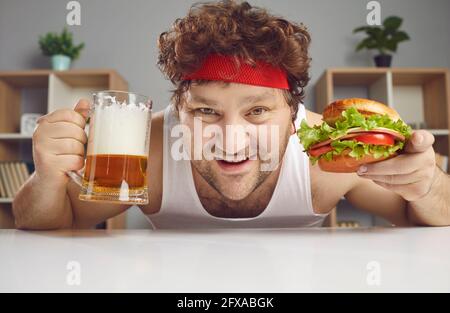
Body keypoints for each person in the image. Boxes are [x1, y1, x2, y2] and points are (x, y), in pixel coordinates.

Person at [13, 0, 449, 229]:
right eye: (206, 111)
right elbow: (53, 222)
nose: (232, 137)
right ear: (179, 109)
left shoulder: (327, 152)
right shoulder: (143, 147)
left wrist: (427, 185)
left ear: (293, 113)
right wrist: (46, 175)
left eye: (258, 110)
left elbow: (425, 218)